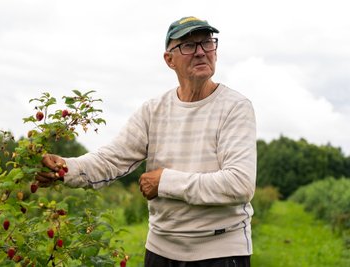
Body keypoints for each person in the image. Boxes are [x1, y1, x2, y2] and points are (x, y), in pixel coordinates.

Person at [36, 16, 256, 267]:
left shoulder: (235, 107)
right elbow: (111, 159)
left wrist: (165, 181)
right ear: (169, 59)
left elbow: (239, 183)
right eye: (188, 45)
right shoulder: (153, 111)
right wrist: (64, 168)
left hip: (220, 254)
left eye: (207, 43)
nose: (200, 52)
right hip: (160, 252)